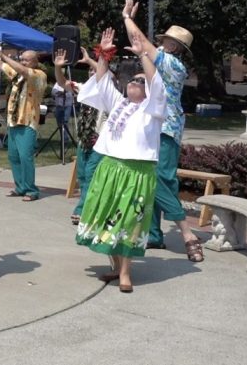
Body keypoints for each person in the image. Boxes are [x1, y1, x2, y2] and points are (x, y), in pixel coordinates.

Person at [75, 25, 166, 293]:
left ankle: (126, 272)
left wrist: (143, 56)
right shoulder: (118, 104)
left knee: (128, 223)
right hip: (110, 168)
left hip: (136, 172)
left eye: (140, 81)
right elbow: (102, 79)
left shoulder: (152, 110)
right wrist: (104, 53)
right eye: (132, 81)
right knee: (106, 219)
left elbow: (157, 85)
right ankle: (116, 267)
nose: (134, 83)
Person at [121, 0, 203, 262]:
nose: (162, 42)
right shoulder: (163, 63)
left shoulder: (172, 63)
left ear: (174, 46)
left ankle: (186, 232)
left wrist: (127, 18)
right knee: (153, 178)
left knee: (160, 179)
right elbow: (141, 49)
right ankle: (154, 234)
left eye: (167, 40)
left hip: (166, 128)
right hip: (157, 125)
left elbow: (141, 43)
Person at [0, 44, 47, 201]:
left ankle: (31, 190)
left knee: (25, 157)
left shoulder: (39, 75)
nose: (22, 62)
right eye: (21, 59)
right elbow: (0, 65)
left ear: (35, 62)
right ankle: (20, 186)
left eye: (26, 60)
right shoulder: (18, 75)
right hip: (14, 122)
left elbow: (20, 69)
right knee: (13, 157)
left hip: (28, 123)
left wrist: (3, 55)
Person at [53, 34, 110, 226]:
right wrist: (58, 67)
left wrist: (91, 61)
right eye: (90, 72)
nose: (91, 74)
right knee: (83, 176)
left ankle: (82, 210)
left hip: (100, 140)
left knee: (92, 175)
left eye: (95, 72)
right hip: (84, 139)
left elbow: (107, 75)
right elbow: (62, 84)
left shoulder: (107, 91)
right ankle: (91, 208)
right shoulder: (84, 89)